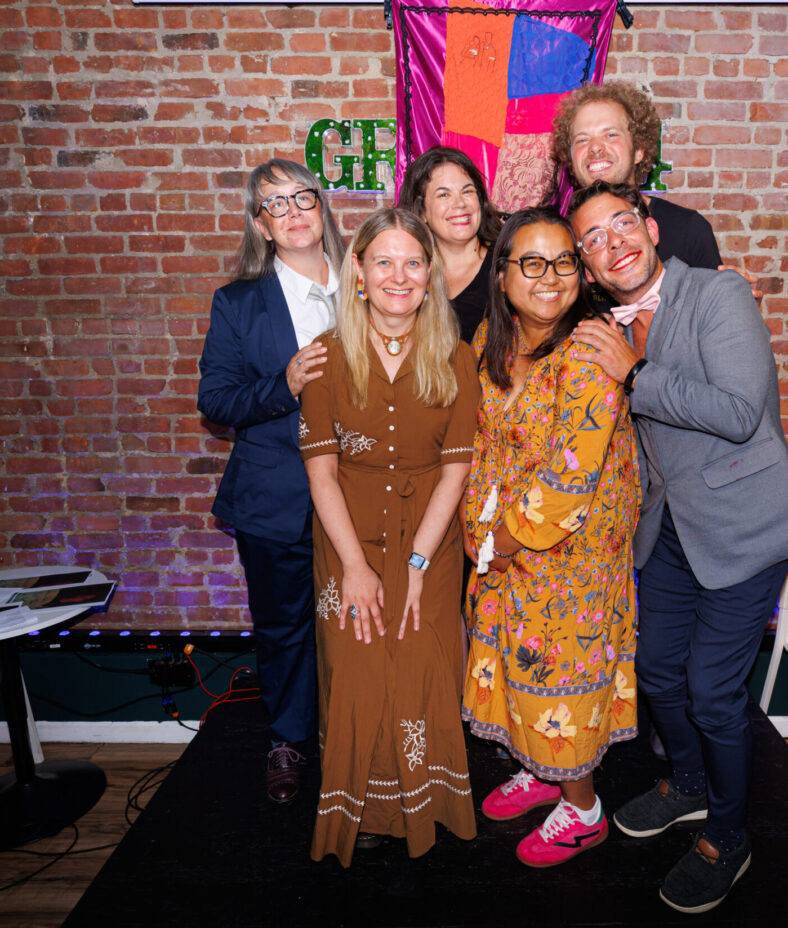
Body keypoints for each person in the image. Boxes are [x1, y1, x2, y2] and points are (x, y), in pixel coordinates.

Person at [568, 182, 788, 912]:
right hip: (672, 529)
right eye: (593, 239)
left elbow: (741, 413)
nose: (613, 242)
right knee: (656, 671)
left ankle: (728, 835)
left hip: (747, 525)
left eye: (622, 223)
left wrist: (635, 375)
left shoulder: (719, 295)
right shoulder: (606, 324)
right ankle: (688, 784)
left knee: (712, 691)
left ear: (650, 229)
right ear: (587, 265)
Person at [461, 208, 641, 868]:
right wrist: (477, 528)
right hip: (504, 549)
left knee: (560, 678)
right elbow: (479, 439)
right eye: (531, 262)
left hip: (572, 559)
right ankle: (542, 773)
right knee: (517, 670)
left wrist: (498, 543)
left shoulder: (590, 351)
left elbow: (571, 477)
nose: (550, 277)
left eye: (564, 261)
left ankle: (584, 810)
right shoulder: (491, 339)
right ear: (501, 273)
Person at [299, 207, 479, 867]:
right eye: (383, 262)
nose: (398, 277)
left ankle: (424, 806)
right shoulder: (324, 359)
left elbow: (456, 471)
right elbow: (321, 474)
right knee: (359, 670)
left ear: (430, 275)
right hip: (347, 536)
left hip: (430, 536)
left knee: (423, 668)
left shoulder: (457, 356)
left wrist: (419, 564)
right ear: (359, 272)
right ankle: (366, 812)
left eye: (412, 262)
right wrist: (355, 566)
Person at [198, 158, 346, 804]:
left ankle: (354, 734)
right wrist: (283, 384)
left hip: (365, 493)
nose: (292, 213)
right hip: (275, 498)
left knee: (359, 623)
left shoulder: (371, 280)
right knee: (284, 627)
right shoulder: (237, 303)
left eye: (301, 198)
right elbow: (215, 401)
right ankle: (288, 737)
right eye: (274, 205)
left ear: (321, 206)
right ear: (260, 226)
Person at [552, 81, 762, 300]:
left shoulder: (689, 230)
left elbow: (716, 309)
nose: (595, 147)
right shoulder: (560, 239)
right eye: (582, 139)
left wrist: (742, 305)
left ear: (638, 150)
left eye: (611, 135)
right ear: (571, 160)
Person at [397, 146, 504, 343]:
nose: (460, 203)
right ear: (421, 211)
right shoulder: (407, 274)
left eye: (467, 191)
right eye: (444, 195)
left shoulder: (506, 264)